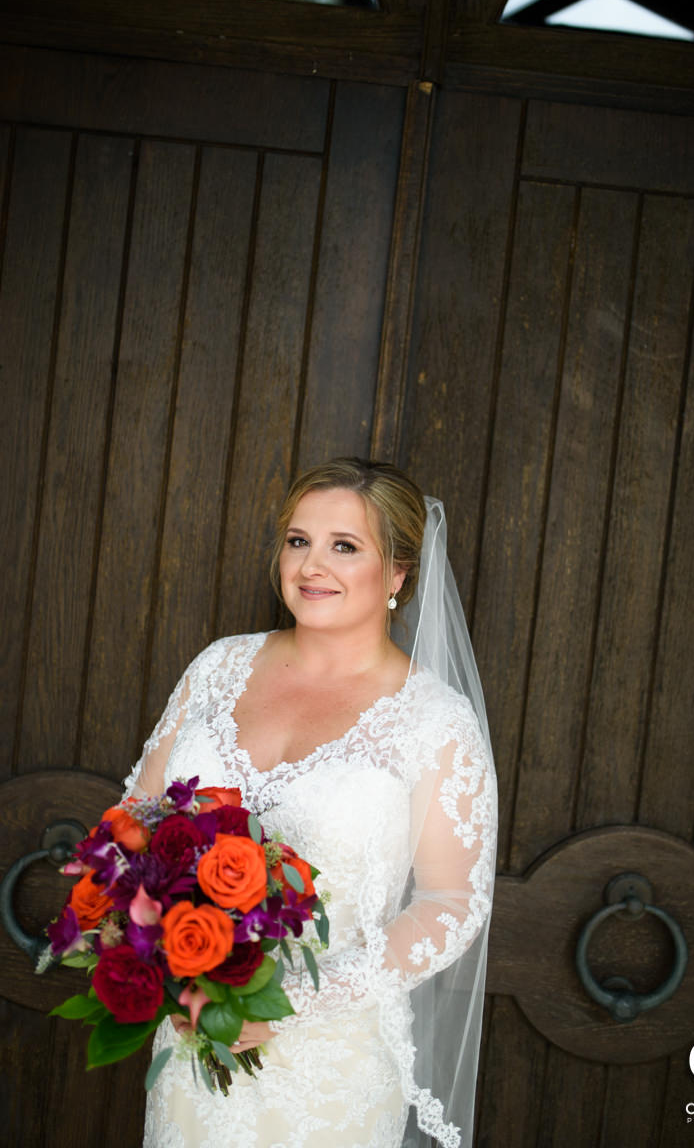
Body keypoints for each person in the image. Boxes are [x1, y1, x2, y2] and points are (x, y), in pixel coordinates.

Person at [123, 457, 497, 1148]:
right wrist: (160, 956)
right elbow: (134, 826)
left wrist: (289, 1001)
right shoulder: (220, 666)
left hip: (330, 1070)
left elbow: (452, 904)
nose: (310, 565)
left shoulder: (432, 721)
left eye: (343, 546)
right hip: (193, 1038)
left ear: (397, 575)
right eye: (298, 540)